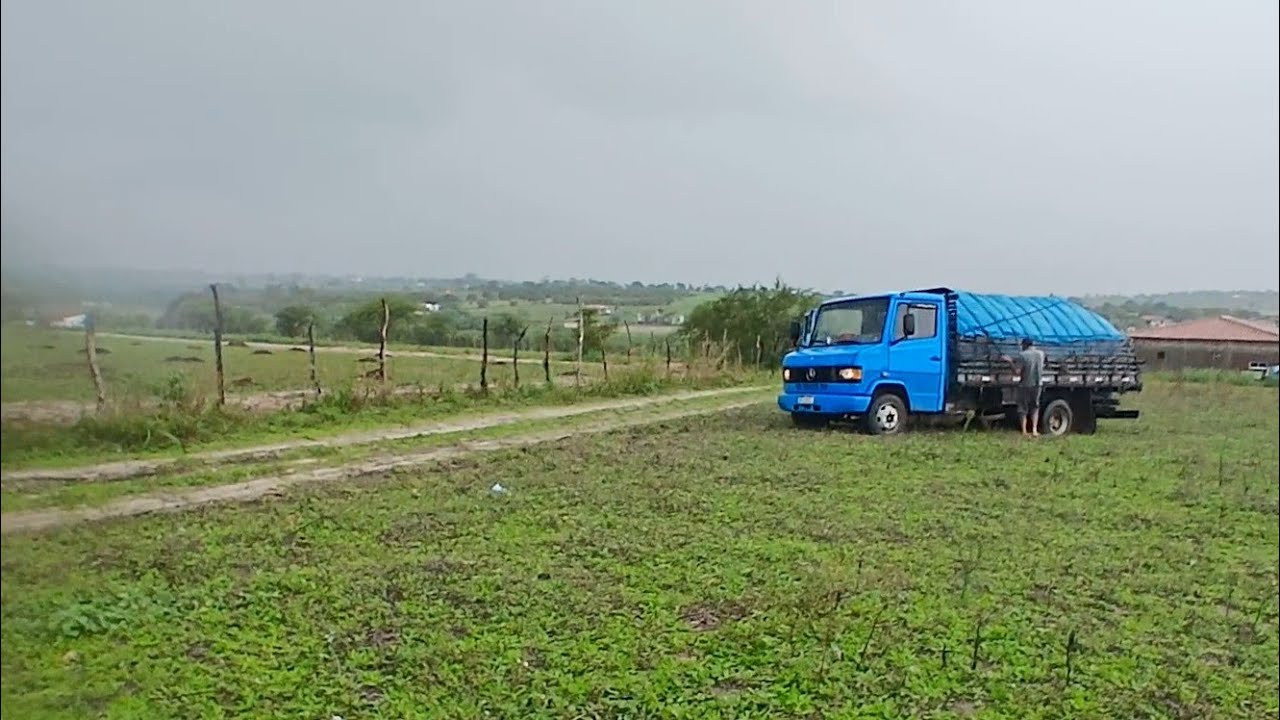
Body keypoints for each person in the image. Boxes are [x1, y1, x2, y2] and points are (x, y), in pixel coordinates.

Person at [1004, 339, 1046, 437]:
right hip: (1038, 384)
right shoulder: (1041, 354)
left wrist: (1010, 362)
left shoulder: (1022, 355)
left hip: (1025, 384)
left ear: (1024, 345)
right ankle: (1034, 430)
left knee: (1023, 408)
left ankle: (1024, 430)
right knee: (1035, 406)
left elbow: (1017, 372)